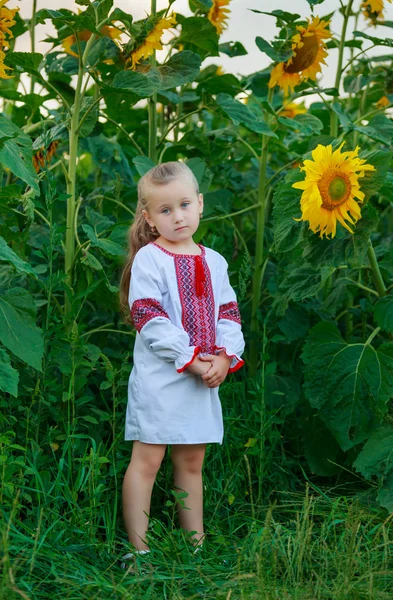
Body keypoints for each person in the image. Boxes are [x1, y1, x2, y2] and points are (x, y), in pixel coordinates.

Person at [119, 161, 245, 566]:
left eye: (185, 204)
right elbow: (148, 317)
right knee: (148, 461)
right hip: (163, 379)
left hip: (203, 378)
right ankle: (139, 551)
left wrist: (224, 357)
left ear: (201, 204)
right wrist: (190, 359)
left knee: (191, 462)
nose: (178, 216)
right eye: (165, 210)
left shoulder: (215, 261)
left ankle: (196, 547)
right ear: (149, 219)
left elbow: (228, 313)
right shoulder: (150, 260)